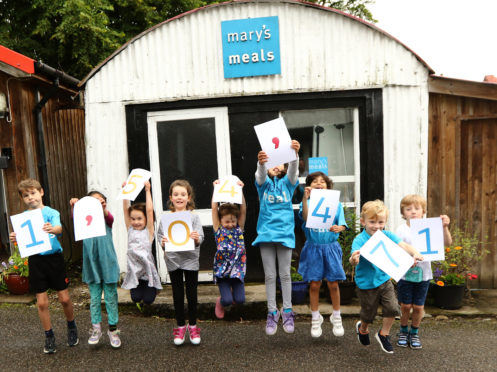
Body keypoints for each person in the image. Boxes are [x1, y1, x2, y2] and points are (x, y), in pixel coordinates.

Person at [10, 179, 78, 354]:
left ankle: (71, 326)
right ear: (22, 199)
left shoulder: (51, 212)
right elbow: (25, 242)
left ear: (41, 192)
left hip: (54, 259)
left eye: (33, 193)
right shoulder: (23, 219)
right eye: (26, 195)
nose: (30, 197)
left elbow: (59, 228)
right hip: (36, 261)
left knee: (64, 299)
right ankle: (49, 336)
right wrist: (16, 239)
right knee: (41, 303)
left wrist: (52, 228)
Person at [350, 200, 423, 354]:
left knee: (392, 308)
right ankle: (362, 329)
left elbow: (403, 245)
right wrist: (354, 259)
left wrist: (414, 252)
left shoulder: (387, 235)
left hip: (384, 280)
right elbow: (353, 257)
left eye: (381, 222)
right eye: (372, 222)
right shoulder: (359, 239)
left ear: (385, 222)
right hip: (366, 284)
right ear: (363, 222)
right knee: (368, 314)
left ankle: (384, 334)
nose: (377, 226)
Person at [253, 140, 300, 335]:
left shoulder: (287, 185)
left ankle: (287, 311)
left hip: (285, 235)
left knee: (285, 275)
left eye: (278, 162)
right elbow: (260, 175)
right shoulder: (263, 186)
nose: (275, 165)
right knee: (270, 275)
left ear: (283, 165)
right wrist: (261, 163)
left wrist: (295, 155)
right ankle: (272, 312)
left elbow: (293, 172)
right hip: (265, 235)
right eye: (271, 162)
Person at [395, 194, 452, 349]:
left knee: (419, 307)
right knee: (405, 306)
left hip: (424, 274)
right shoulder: (401, 230)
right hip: (405, 274)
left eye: (417, 208)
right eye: (408, 209)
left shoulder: (430, 227)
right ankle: (403, 330)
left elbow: (447, 243)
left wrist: (445, 227)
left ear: (423, 211)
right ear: (403, 212)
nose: (413, 212)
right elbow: (396, 249)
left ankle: (414, 332)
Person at [70, 191, 121, 348]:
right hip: (92, 264)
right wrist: (74, 206)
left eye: (102, 200)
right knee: (94, 298)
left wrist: (102, 209)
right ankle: (96, 329)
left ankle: (113, 330)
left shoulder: (107, 219)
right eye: (94, 201)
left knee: (111, 297)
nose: (99, 202)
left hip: (108, 263)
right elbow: (74, 218)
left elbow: (109, 217)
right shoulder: (84, 222)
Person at [298, 172, 347, 338]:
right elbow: (305, 218)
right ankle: (315, 317)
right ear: (309, 186)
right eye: (314, 181)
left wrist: (339, 228)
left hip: (331, 247)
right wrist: (305, 198)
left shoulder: (336, 204)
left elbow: (342, 224)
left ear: (328, 185)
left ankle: (336, 315)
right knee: (314, 284)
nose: (319, 184)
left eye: (322, 181)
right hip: (313, 247)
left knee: (333, 283)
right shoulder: (307, 203)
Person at [158, 180, 204, 345]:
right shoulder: (166, 218)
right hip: (173, 261)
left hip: (191, 260)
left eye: (183, 194)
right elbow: (160, 237)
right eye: (176, 194)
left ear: (189, 197)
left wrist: (196, 238)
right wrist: (163, 242)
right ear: (171, 197)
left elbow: (201, 237)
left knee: (192, 296)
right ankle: (180, 327)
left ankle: (193, 326)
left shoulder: (194, 217)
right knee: (177, 296)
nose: (179, 197)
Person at [121, 181, 162, 311]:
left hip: (147, 270)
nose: (136, 222)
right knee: (136, 298)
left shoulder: (148, 231)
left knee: (149, 299)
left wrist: (148, 191)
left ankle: (153, 288)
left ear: (145, 220)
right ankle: (140, 297)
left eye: (139, 219)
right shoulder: (130, 229)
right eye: (133, 219)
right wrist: (126, 192)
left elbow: (149, 211)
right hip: (135, 272)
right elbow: (125, 210)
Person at [211, 179, 247, 319]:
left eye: (233, 221)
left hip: (237, 269)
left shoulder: (239, 229)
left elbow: (243, 209)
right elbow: (214, 209)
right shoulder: (218, 230)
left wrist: (240, 191)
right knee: (227, 301)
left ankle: (232, 292)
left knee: (240, 300)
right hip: (223, 270)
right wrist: (215, 189)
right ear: (220, 221)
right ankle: (221, 300)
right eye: (227, 221)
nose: (231, 224)